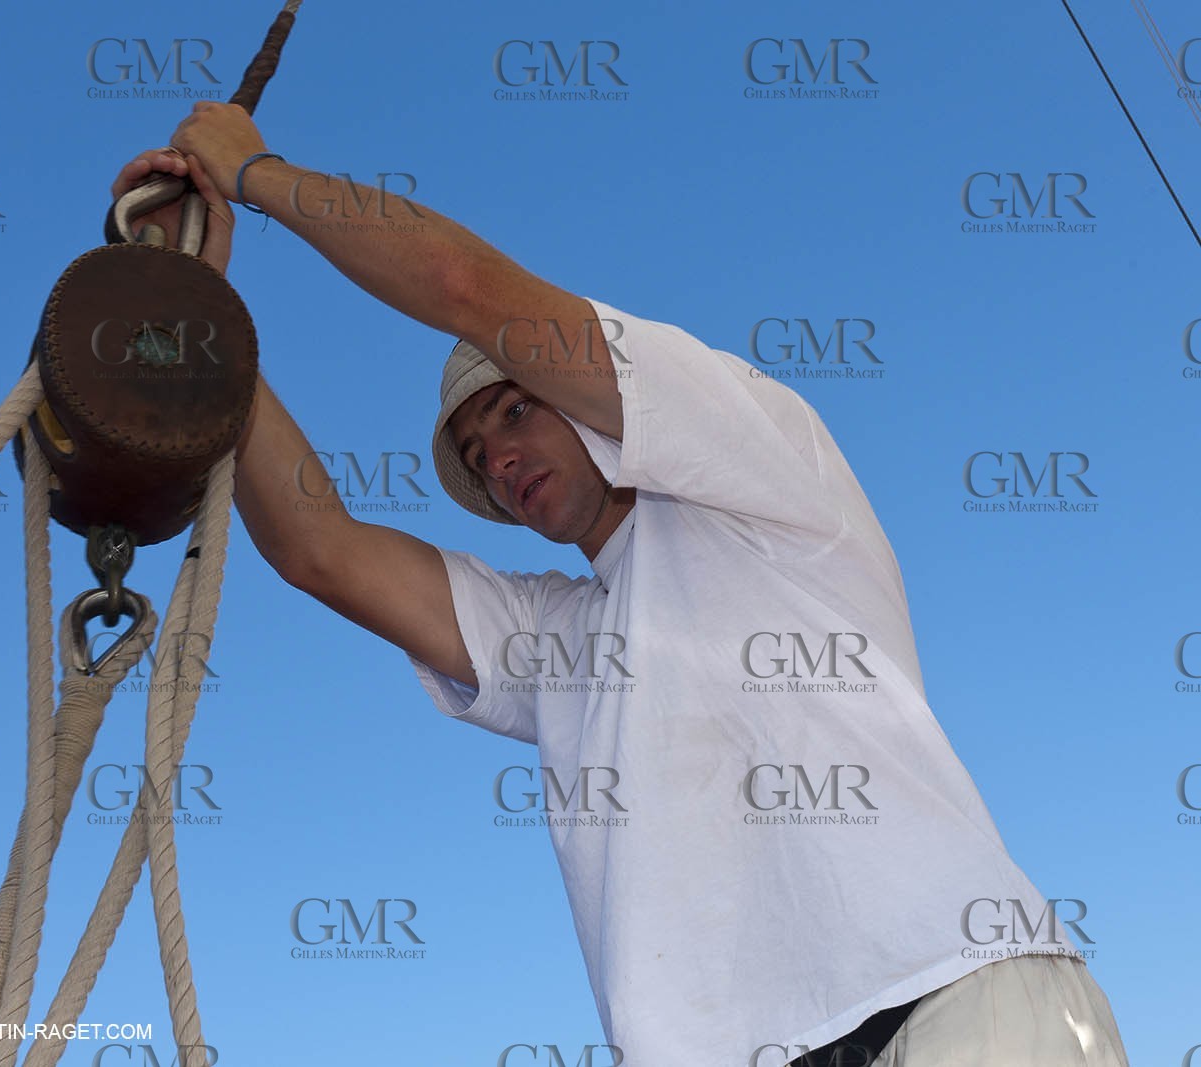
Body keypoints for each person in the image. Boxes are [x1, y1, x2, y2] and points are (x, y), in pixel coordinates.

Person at [109, 104, 1131, 1066]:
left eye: (513, 413)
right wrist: (198, 301)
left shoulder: (761, 473)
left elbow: (469, 289)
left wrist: (253, 172)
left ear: (577, 399)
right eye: (475, 453)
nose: (496, 455)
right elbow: (318, 547)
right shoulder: (556, 644)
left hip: (952, 997)